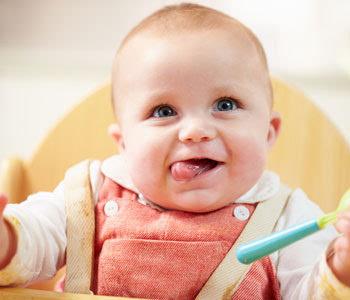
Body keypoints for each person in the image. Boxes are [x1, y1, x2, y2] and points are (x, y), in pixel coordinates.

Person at [0, 3, 350, 299]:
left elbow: (311, 290)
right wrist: (7, 239)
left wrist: (339, 267)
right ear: (124, 144)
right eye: (164, 111)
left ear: (268, 133)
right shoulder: (87, 194)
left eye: (225, 104)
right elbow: (35, 237)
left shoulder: (289, 217)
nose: (196, 131)